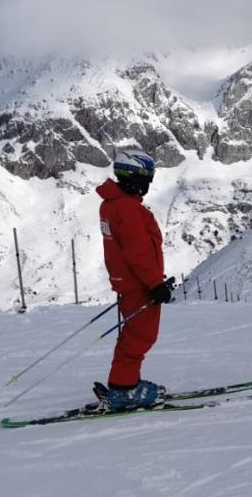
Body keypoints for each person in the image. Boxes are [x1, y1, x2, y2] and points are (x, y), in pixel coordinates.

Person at [95, 149, 175, 411]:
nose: (149, 185)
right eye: (147, 178)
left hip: (128, 282)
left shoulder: (112, 204)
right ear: (135, 177)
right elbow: (137, 252)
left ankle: (125, 383)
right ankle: (124, 391)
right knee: (141, 337)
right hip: (140, 285)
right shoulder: (127, 209)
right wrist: (155, 284)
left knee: (133, 336)